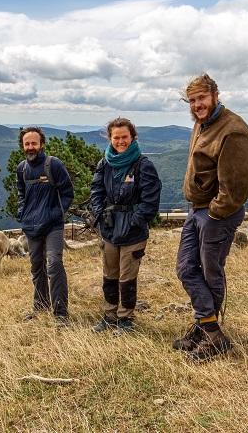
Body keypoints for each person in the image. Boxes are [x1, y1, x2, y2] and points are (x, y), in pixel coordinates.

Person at [173, 73, 248, 360]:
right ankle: (208, 327)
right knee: (185, 268)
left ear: (215, 96)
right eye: (192, 100)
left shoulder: (233, 130)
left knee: (210, 273)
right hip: (197, 209)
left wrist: (215, 212)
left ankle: (211, 336)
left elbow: (236, 185)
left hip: (216, 214)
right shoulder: (202, 124)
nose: (197, 104)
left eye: (202, 98)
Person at [90, 117, 161, 332]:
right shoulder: (105, 163)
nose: (120, 141)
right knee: (109, 275)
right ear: (110, 138)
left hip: (132, 232)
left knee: (127, 277)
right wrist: (100, 214)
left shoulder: (143, 165)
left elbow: (150, 201)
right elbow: (96, 191)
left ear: (133, 137)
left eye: (124, 137)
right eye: (116, 137)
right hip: (110, 227)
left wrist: (133, 222)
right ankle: (109, 315)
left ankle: (126, 319)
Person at [16, 126, 74, 326]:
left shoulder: (53, 165)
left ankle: (60, 313)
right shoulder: (22, 169)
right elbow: (21, 195)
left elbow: (68, 192)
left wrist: (56, 212)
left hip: (53, 226)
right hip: (31, 226)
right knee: (36, 267)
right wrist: (21, 211)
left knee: (54, 264)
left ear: (42, 144)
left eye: (34, 143)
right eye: (27, 144)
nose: (31, 147)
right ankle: (40, 306)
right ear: (23, 146)